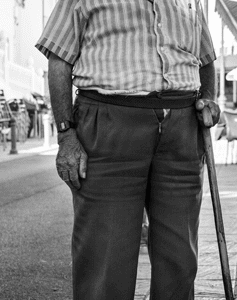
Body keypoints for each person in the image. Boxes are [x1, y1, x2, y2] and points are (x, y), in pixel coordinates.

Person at [35, 1, 219, 299]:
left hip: (182, 128)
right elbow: (58, 59)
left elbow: (206, 60)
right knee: (105, 258)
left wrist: (208, 98)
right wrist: (66, 134)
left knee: (180, 257)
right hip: (109, 122)